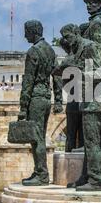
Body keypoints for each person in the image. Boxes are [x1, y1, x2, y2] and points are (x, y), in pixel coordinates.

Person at [53, 24, 101, 191]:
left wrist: (79, 74)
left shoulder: (90, 47)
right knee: (86, 143)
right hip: (85, 101)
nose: (66, 41)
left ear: (76, 33)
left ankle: (96, 180)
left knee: (92, 142)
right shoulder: (77, 50)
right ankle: (85, 177)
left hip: (94, 102)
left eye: (68, 36)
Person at [18, 20, 63, 186]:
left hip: (35, 98)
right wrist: (58, 100)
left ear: (33, 31)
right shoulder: (50, 51)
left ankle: (42, 175)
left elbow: (28, 81)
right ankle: (39, 171)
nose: (25, 35)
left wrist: (23, 107)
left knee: (36, 138)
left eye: (26, 32)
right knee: (40, 136)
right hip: (46, 98)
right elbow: (57, 77)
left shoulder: (33, 51)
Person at [80, 0, 101, 151]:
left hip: (94, 74)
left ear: (99, 5)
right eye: (87, 2)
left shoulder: (97, 23)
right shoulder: (93, 22)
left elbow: (98, 51)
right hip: (92, 72)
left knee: (93, 112)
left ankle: (94, 146)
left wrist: (93, 75)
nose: (88, 5)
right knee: (98, 114)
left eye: (92, 2)